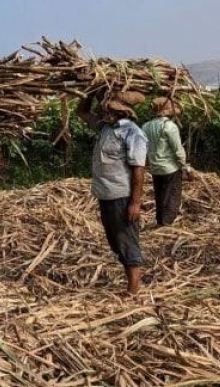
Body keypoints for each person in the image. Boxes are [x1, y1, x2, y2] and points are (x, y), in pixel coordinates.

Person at [77, 91, 149, 297]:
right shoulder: (106, 128)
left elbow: (138, 169)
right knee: (114, 241)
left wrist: (135, 203)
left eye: (109, 108)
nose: (104, 111)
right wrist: (90, 91)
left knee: (126, 240)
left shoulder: (133, 133)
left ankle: (133, 289)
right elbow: (81, 111)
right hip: (105, 194)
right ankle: (131, 284)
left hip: (122, 195)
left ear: (122, 111)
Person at [142, 97, 191, 227]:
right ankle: (166, 224)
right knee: (171, 197)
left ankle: (160, 221)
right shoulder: (169, 126)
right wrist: (184, 167)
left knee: (160, 195)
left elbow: (144, 147)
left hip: (155, 168)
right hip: (170, 168)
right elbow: (178, 150)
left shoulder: (146, 126)